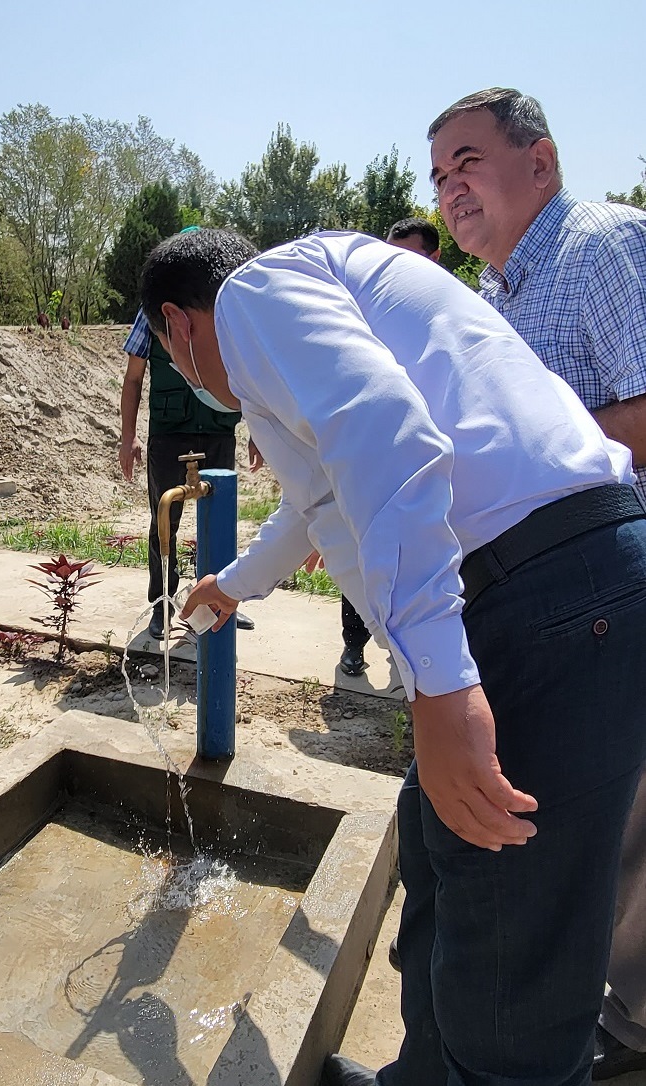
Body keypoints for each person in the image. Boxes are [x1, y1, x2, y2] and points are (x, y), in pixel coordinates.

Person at [139, 226, 646, 1086]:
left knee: (513, 966)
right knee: (441, 858)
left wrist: (441, 684)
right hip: (572, 586)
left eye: (166, 352)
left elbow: (387, 436)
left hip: (544, 598)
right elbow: (323, 495)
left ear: (178, 326)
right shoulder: (316, 297)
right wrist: (230, 585)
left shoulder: (252, 298)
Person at [429, 86, 646, 1082]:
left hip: (611, 584)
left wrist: (525, 470)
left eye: (465, 161)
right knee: (572, 841)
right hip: (544, 606)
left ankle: (616, 1035)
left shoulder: (594, 249)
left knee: (617, 837)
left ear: (540, 164)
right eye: (437, 176)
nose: (448, 188)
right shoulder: (488, 298)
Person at [331, 216, 443, 677]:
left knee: (425, 555)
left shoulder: (451, 309)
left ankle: (418, 653)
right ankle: (354, 643)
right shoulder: (369, 312)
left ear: (434, 259)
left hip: (431, 455)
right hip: (378, 450)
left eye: (408, 257)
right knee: (363, 546)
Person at [119, 305, 257, 641]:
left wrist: (258, 431)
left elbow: (250, 373)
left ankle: (219, 601)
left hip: (218, 429)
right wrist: (128, 436)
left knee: (219, 524)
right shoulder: (151, 313)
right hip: (170, 433)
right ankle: (162, 605)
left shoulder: (225, 306)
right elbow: (134, 376)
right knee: (164, 522)